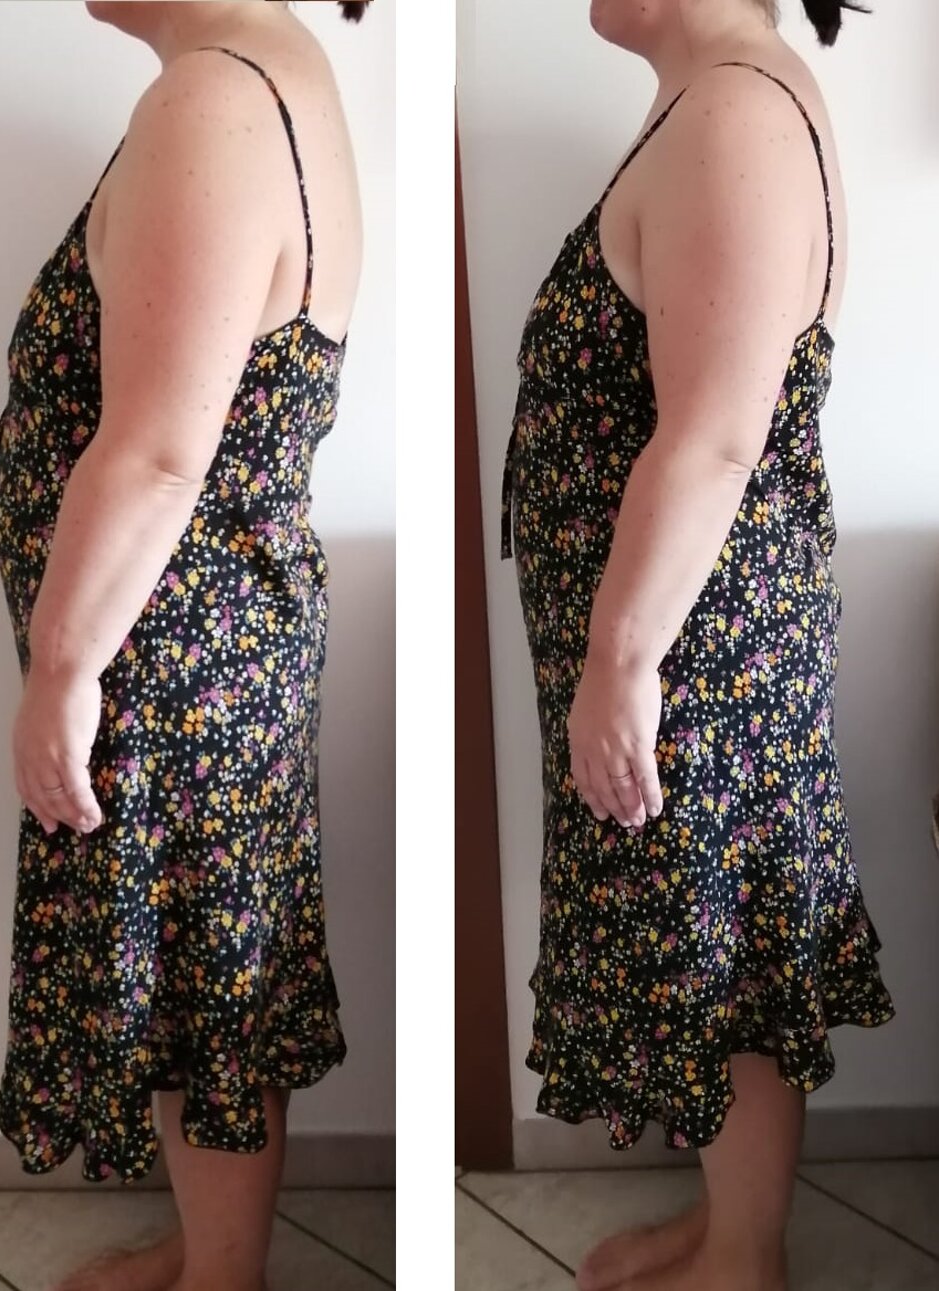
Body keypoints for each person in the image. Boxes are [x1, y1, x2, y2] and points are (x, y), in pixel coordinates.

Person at [500, 2, 893, 1289]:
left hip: (696, 650)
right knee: (709, 957)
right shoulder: (722, 97)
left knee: (723, 960)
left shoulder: (733, 108)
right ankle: (732, 1229)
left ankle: (742, 1261)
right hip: (694, 633)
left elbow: (716, 436)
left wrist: (620, 660)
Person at [0, 2, 369, 1288]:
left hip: (167, 656)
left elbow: (156, 452)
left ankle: (221, 1274)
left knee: (206, 984)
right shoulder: (260, 74)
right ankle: (212, 1252)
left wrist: (63, 668)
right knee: (202, 974)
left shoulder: (215, 100)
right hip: (204, 638)